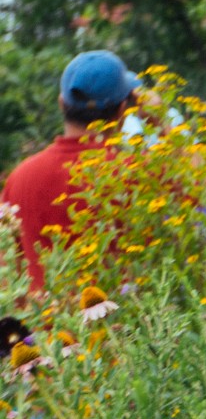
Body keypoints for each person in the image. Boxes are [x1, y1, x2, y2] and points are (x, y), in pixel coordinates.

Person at [1, 50, 142, 293]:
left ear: (61, 103)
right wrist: (163, 122)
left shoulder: (20, 178)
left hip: (38, 328)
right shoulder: (138, 174)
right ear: (122, 110)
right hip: (120, 327)